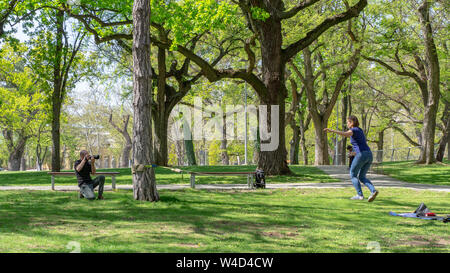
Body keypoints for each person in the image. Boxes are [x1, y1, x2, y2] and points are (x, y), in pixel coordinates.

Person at [324, 116, 379, 202]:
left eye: (348, 122)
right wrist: (353, 153)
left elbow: (346, 134)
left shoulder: (354, 130)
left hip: (362, 155)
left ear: (352, 122)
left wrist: (332, 130)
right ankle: (373, 191)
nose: (347, 124)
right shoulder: (360, 130)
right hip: (369, 155)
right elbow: (360, 145)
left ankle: (360, 195)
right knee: (361, 176)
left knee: (353, 174)